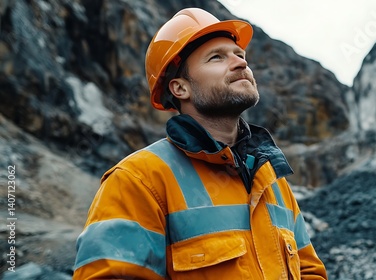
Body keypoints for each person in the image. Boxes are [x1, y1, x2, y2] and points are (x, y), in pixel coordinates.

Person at [73, 7, 328, 280]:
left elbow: (310, 272)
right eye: (216, 57)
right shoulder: (139, 179)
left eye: (240, 55)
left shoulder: (273, 182)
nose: (241, 63)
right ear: (180, 88)